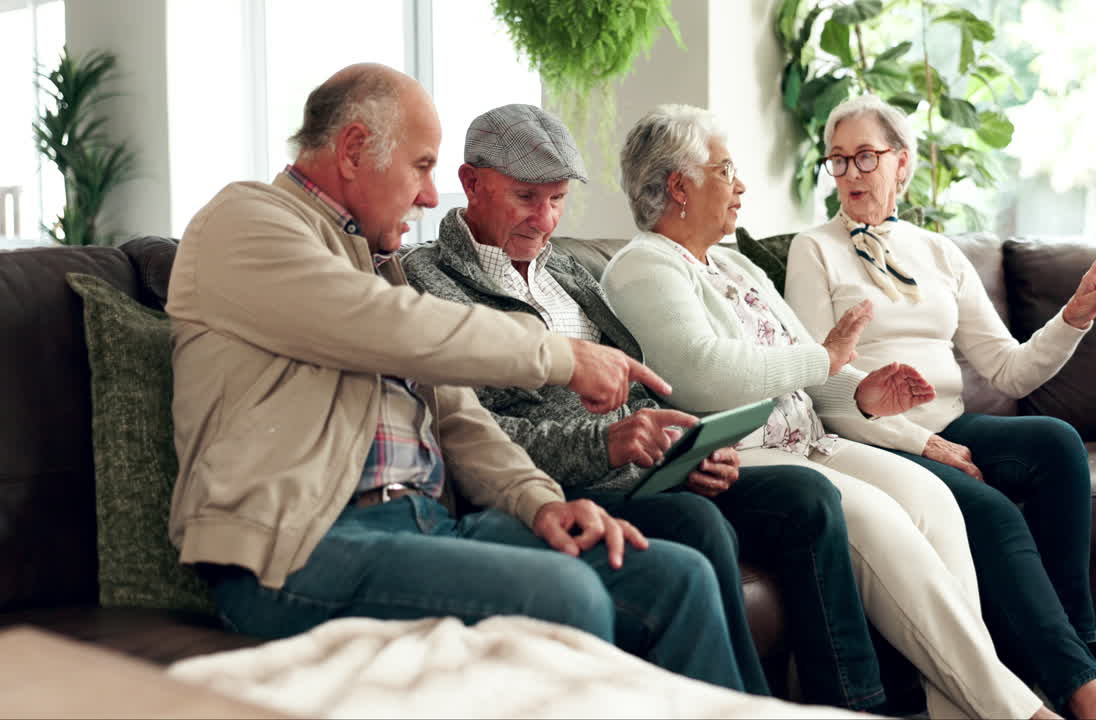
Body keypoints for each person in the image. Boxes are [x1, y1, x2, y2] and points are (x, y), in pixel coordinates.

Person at [164, 63, 750, 693]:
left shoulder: (375, 264)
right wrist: (561, 356)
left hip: (426, 522)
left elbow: (462, 420)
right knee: (565, 594)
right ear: (356, 149)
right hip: (302, 549)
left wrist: (544, 503)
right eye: (422, 166)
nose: (427, 195)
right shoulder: (247, 224)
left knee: (676, 578)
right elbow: (389, 325)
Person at [400, 102, 897, 710]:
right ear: (472, 182)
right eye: (528, 197)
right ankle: (750, 706)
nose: (545, 220)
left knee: (807, 497)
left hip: (649, 466)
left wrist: (692, 450)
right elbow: (475, 425)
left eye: (558, 200)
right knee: (697, 523)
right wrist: (604, 441)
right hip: (566, 482)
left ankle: (859, 703)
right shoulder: (426, 281)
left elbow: (641, 385)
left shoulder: (571, 277)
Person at [601, 103, 1073, 720]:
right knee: (886, 526)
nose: (741, 185)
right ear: (678, 187)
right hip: (750, 451)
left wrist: (864, 393)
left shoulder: (734, 264)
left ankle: (959, 711)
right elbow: (706, 375)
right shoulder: (643, 267)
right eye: (726, 170)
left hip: (810, 439)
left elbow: (816, 368)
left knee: (937, 503)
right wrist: (824, 362)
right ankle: (1022, 713)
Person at [782, 94, 1096, 719]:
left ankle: (1064, 662)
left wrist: (1072, 319)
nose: (851, 174)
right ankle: (1090, 698)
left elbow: (1009, 366)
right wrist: (923, 444)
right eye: (838, 161)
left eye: (866, 156)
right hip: (875, 438)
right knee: (993, 512)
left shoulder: (939, 252)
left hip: (948, 422)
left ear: (903, 164)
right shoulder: (812, 251)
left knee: (1056, 443)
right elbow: (820, 379)